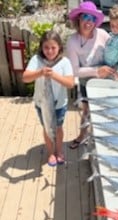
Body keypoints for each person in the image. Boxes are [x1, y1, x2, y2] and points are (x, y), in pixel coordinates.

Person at [66, 1, 116, 149]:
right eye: (86, 17)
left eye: (93, 18)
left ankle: (105, 138)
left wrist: (117, 65)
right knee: (87, 110)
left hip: (105, 79)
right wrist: (96, 71)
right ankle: (82, 136)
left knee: (107, 109)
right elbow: (74, 71)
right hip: (86, 82)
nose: (89, 22)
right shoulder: (72, 41)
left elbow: (114, 54)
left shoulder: (103, 34)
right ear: (79, 19)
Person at [22, 30, 74, 166]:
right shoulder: (36, 60)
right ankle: (51, 153)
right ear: (41, 47)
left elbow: (70, 83)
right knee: (47, 127)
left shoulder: (65, 62)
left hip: (59, 104)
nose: (50, 51)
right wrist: (40, 72)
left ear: (59, 48)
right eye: (46, 47)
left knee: (58, 128)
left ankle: (59, 151)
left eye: (53, 48)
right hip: (42, 104)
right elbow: (25, 78)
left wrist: (53, 75)